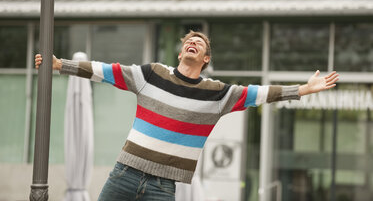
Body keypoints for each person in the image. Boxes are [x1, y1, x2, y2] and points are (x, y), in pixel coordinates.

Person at [35, 30, 339, 201]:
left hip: (163, 188)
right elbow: (105, 71)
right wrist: (61, 64)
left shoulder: (217, 93)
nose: (192, 42)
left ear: (205, 59)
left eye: (200, 43)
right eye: (188, 41)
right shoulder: (150, 73)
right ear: (181, 53)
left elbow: (261, 94)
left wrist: (303, 89)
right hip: (124, 174)